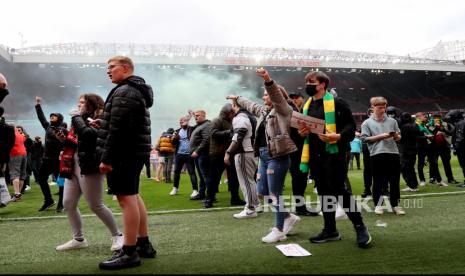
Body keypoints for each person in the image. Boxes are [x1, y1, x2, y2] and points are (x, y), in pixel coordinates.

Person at [297, 71, 371, 248]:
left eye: (312, 81)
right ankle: (330, 230)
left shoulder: (338, 102)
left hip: (335, 152)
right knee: (323, 191)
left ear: (323, 84)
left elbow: (351, 126)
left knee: (339, 190)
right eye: (307, 81)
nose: (308, 84)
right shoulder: (306, 106)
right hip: (315, 154)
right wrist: (302, 132)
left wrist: (338, 136)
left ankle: (360, 226)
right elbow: (305, 131)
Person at [227, 68, 300, 243]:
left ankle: (279, 229)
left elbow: (275, 95)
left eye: (267, 95)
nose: (264, 97)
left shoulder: (284, 109)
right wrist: (237, 98)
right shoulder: (264, 112)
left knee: (274, 193)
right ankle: (289, 217)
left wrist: (268, 79)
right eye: (264, 95)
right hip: (264, 156)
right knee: (262, 191)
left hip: (278, 156)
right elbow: (251, 106)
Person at [96, 56, 156, 269]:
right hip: (132, 151)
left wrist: (107, 158)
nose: (108, 71)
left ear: (126, 68)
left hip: (124, 153)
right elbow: (118, 122)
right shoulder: (132, 90)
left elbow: (119, 130)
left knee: (126, 198)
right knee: (133, 196)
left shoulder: (125, 91)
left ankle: (129, 251)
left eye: (111, 67)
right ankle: (143, 244)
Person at [55, 93, 124, 252]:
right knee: (68, 203)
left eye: (82, 103)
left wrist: (75, 116)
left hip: (90, 165)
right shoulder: (79, 120)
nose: (79, 105)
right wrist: (63, 139)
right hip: (73, 164)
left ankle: (118, 235)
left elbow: (88, 135)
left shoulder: (99, 118)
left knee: (95, 205)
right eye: (78, 102)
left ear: (92, 104)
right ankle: (78, 239)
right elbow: (77, 142)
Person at [361, 96, 405, 216]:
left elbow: (399, 137)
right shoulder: (367, 123)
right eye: (380, 107)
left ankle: (395, 205)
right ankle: (378, 205)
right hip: (376, 154)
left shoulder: (393, 121)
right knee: (378, 181)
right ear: (372, 107)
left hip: (393, 153)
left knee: (395, 181)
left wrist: (396, 136)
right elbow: (364, 139)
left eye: (384, 107)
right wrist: (382, 136)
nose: (382, 110)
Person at [223, 101, 259, 215]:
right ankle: (255, 205)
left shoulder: (240, 117)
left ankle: (250, 209)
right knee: (250, 181)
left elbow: (239, 134)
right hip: (250, 151)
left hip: (244, 153)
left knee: (246, 182)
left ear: (235, 105)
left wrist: (228, 152)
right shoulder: (251, 117)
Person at [205, 103, 243, 208]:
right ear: (227, 112)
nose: (233, 115)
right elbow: (213, 133)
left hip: (230, 153)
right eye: (232, 113)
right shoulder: (217, 120)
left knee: (234, 178)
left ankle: (235, 198)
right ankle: (209, 199)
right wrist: (230, 132)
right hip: (217, 154)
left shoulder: (233, 121)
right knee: (214, 178)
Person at [35, 96, 66, 211]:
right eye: (51, 116)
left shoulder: (63, 130)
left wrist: (63, 151)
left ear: (60, 119)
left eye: (54, 116)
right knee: (41, 178)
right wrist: (38, 105)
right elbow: (41, 118)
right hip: (47, 159)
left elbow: (67, 143)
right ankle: (48, 200)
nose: (51, 117)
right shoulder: (48, 127)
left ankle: (61, 203)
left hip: (58, 160)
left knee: (61, 182)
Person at [170, 114, 199, 197]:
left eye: (183, 121)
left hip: (189, 154)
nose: (181, 122)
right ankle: (175, 188)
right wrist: (175, 139)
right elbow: (173, 144)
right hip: (179, 154)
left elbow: (197, 126)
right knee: (176, 172)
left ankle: (195, 190)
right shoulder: (177, 131)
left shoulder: (191, 129)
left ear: (187, 122)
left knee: (191, 172)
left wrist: (192, 116)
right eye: (180, 121)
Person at [189, 110, 212, 200]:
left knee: (205, 176)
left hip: (203, 154)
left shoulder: (206, 125)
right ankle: (202, 193)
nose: (196, 117)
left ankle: (210, 196)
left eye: (198, 115)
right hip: (199, 155)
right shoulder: (199, 126)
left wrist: (197, 151)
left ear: (203, 116)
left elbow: (206, 140)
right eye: (195, 116)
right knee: (202, 176)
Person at [398, 112, 422, 192]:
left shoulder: (404, 127)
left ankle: (411, 185)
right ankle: (414, 185)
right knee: (411, 168)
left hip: (405, 150)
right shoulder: (415, 126)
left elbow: (400, 139)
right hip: (413, 149)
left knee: (405, 168)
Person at [0, 106, 15, 207]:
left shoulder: (8, 127)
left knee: (1, 176)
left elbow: (10, 144)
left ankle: (4, 198)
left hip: (1, 156)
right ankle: (4, 198)